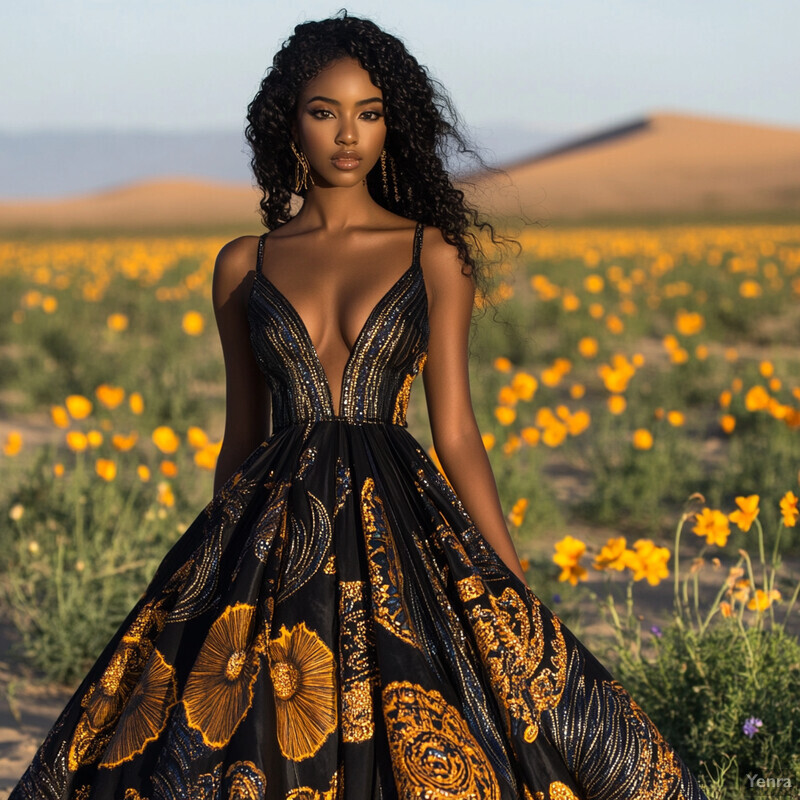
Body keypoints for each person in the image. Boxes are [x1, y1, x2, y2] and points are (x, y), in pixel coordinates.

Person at [10, 13, 709, 800]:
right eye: (325, 111)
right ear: (289, 123)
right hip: (269, 533)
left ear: (392, 125)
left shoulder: (434, 252)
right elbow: (243, 432)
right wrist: (215, 578)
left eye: (369, 113)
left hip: (401, 523)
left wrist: (508, 582)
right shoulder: (244, 263)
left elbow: (458, 433)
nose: (349, 134)